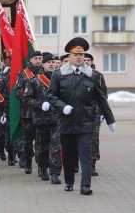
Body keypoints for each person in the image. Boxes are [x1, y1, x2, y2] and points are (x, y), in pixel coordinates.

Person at [48, 37, 116, 195]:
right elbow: (51, 95)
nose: (79, 57)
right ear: (69, 56)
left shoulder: (93, 75)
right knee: (69, 155)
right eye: (75, 54)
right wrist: (62, 106)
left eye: (82, 54)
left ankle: (85, 185)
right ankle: (69, 181)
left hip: (86, 122)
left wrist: (110, 119)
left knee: (86, 155)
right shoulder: (59, 75)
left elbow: (101, 98)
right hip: (66, 122)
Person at [25, 54, 59, 183]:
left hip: (57, 119)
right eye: (48, 62)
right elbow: (27, 98)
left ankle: (55, 172)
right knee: (42, 147)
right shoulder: (34, 80)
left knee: (55, 147)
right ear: (42, 65)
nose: (51, 64)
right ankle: (42, 168)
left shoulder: (60, 79)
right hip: (41, 119)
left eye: (53, 62)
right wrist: (39, 105)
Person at [16, 51, 43, 174]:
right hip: (28, 113)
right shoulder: (23, 74)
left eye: (40, 58)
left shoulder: (45, 73)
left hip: (43, 113)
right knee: (28, 140)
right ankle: (27, 160)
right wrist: (33, 102)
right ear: (31, 60)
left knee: (41, 140)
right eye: (36, 58)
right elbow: (19, 92)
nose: (38, 60)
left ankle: (41, 162)